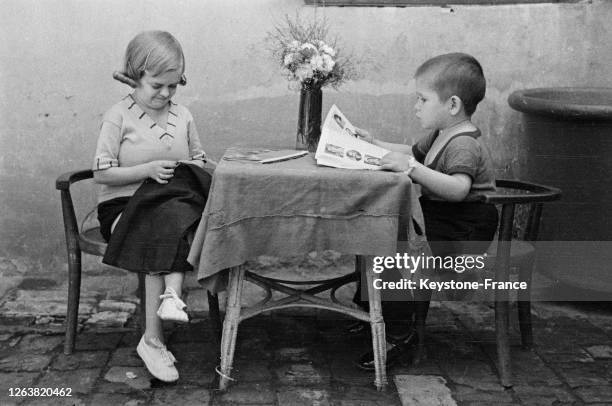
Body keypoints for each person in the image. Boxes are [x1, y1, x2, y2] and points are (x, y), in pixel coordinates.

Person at [353, 53, 498, 369]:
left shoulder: (463, 143)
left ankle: (399, 334)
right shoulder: (440, 133)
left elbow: (459, 189)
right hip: (440, 218)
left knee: (394, 246)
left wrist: (411, 169)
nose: (416, 106)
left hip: (465, 230)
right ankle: (368, 310)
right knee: (377, 227)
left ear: (452, 105)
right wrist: (373, 143)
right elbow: (411, 153)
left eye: (422, 99)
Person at [92, 31, 214, 382]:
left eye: (172, 87)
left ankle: (166, 310)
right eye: (157, 86)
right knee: (160, 229)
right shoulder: (118, 116)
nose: (165, 94)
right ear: (135, 76)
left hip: (172, 206)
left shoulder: (184, 115)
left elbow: (197, 159)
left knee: (179, 217)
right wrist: (145, 170)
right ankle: (155, 334)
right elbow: (102, 173)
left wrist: (207, 166)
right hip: (123, 207)